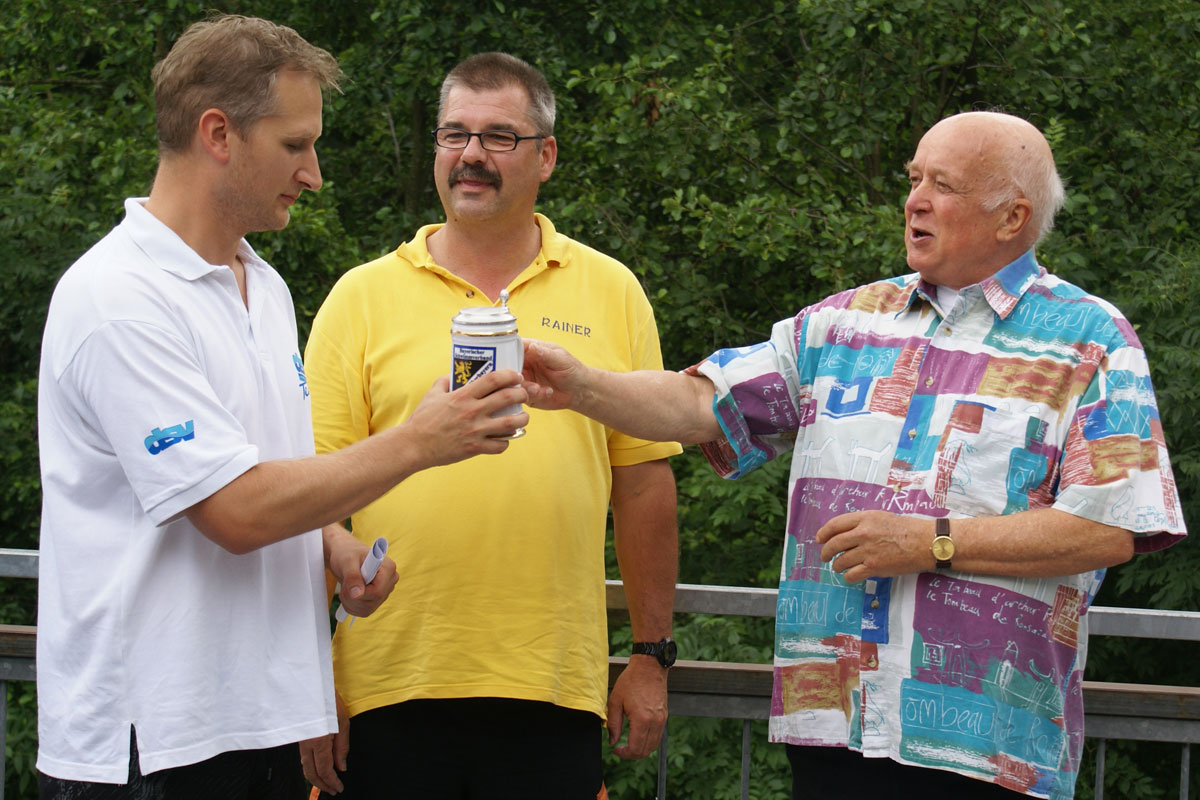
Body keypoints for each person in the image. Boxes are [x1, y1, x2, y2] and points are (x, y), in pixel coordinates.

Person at [520, 110, 1187, 798]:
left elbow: (1113, 524)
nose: (916, 199)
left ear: (1012, 218)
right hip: (833, 731)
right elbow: (698, 404)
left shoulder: (1090, 341)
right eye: (914, 178)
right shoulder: (842, 324)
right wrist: (581, 385)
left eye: (944, 185)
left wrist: (933, 542)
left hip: (988, 749)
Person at [35, 16, 527, 800]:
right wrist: (420, 441)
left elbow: (263, 473)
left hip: (257, 725)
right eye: (296, 145)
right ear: (219, 134)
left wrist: (331, 547)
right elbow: (234, 511)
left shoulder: (262, 285)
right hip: (151, 744)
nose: (316, 173)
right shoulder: (116, 298)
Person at [300, 52, 681, 799]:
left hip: (550, 684)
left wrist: (649, 656)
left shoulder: (612, 291)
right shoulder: (361, 296)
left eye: (498, 137)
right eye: (454, 135)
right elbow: (308, 500)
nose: (471, 154)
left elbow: (642, 486)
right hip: (383, 682)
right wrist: (303, 679)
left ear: (547, 157)